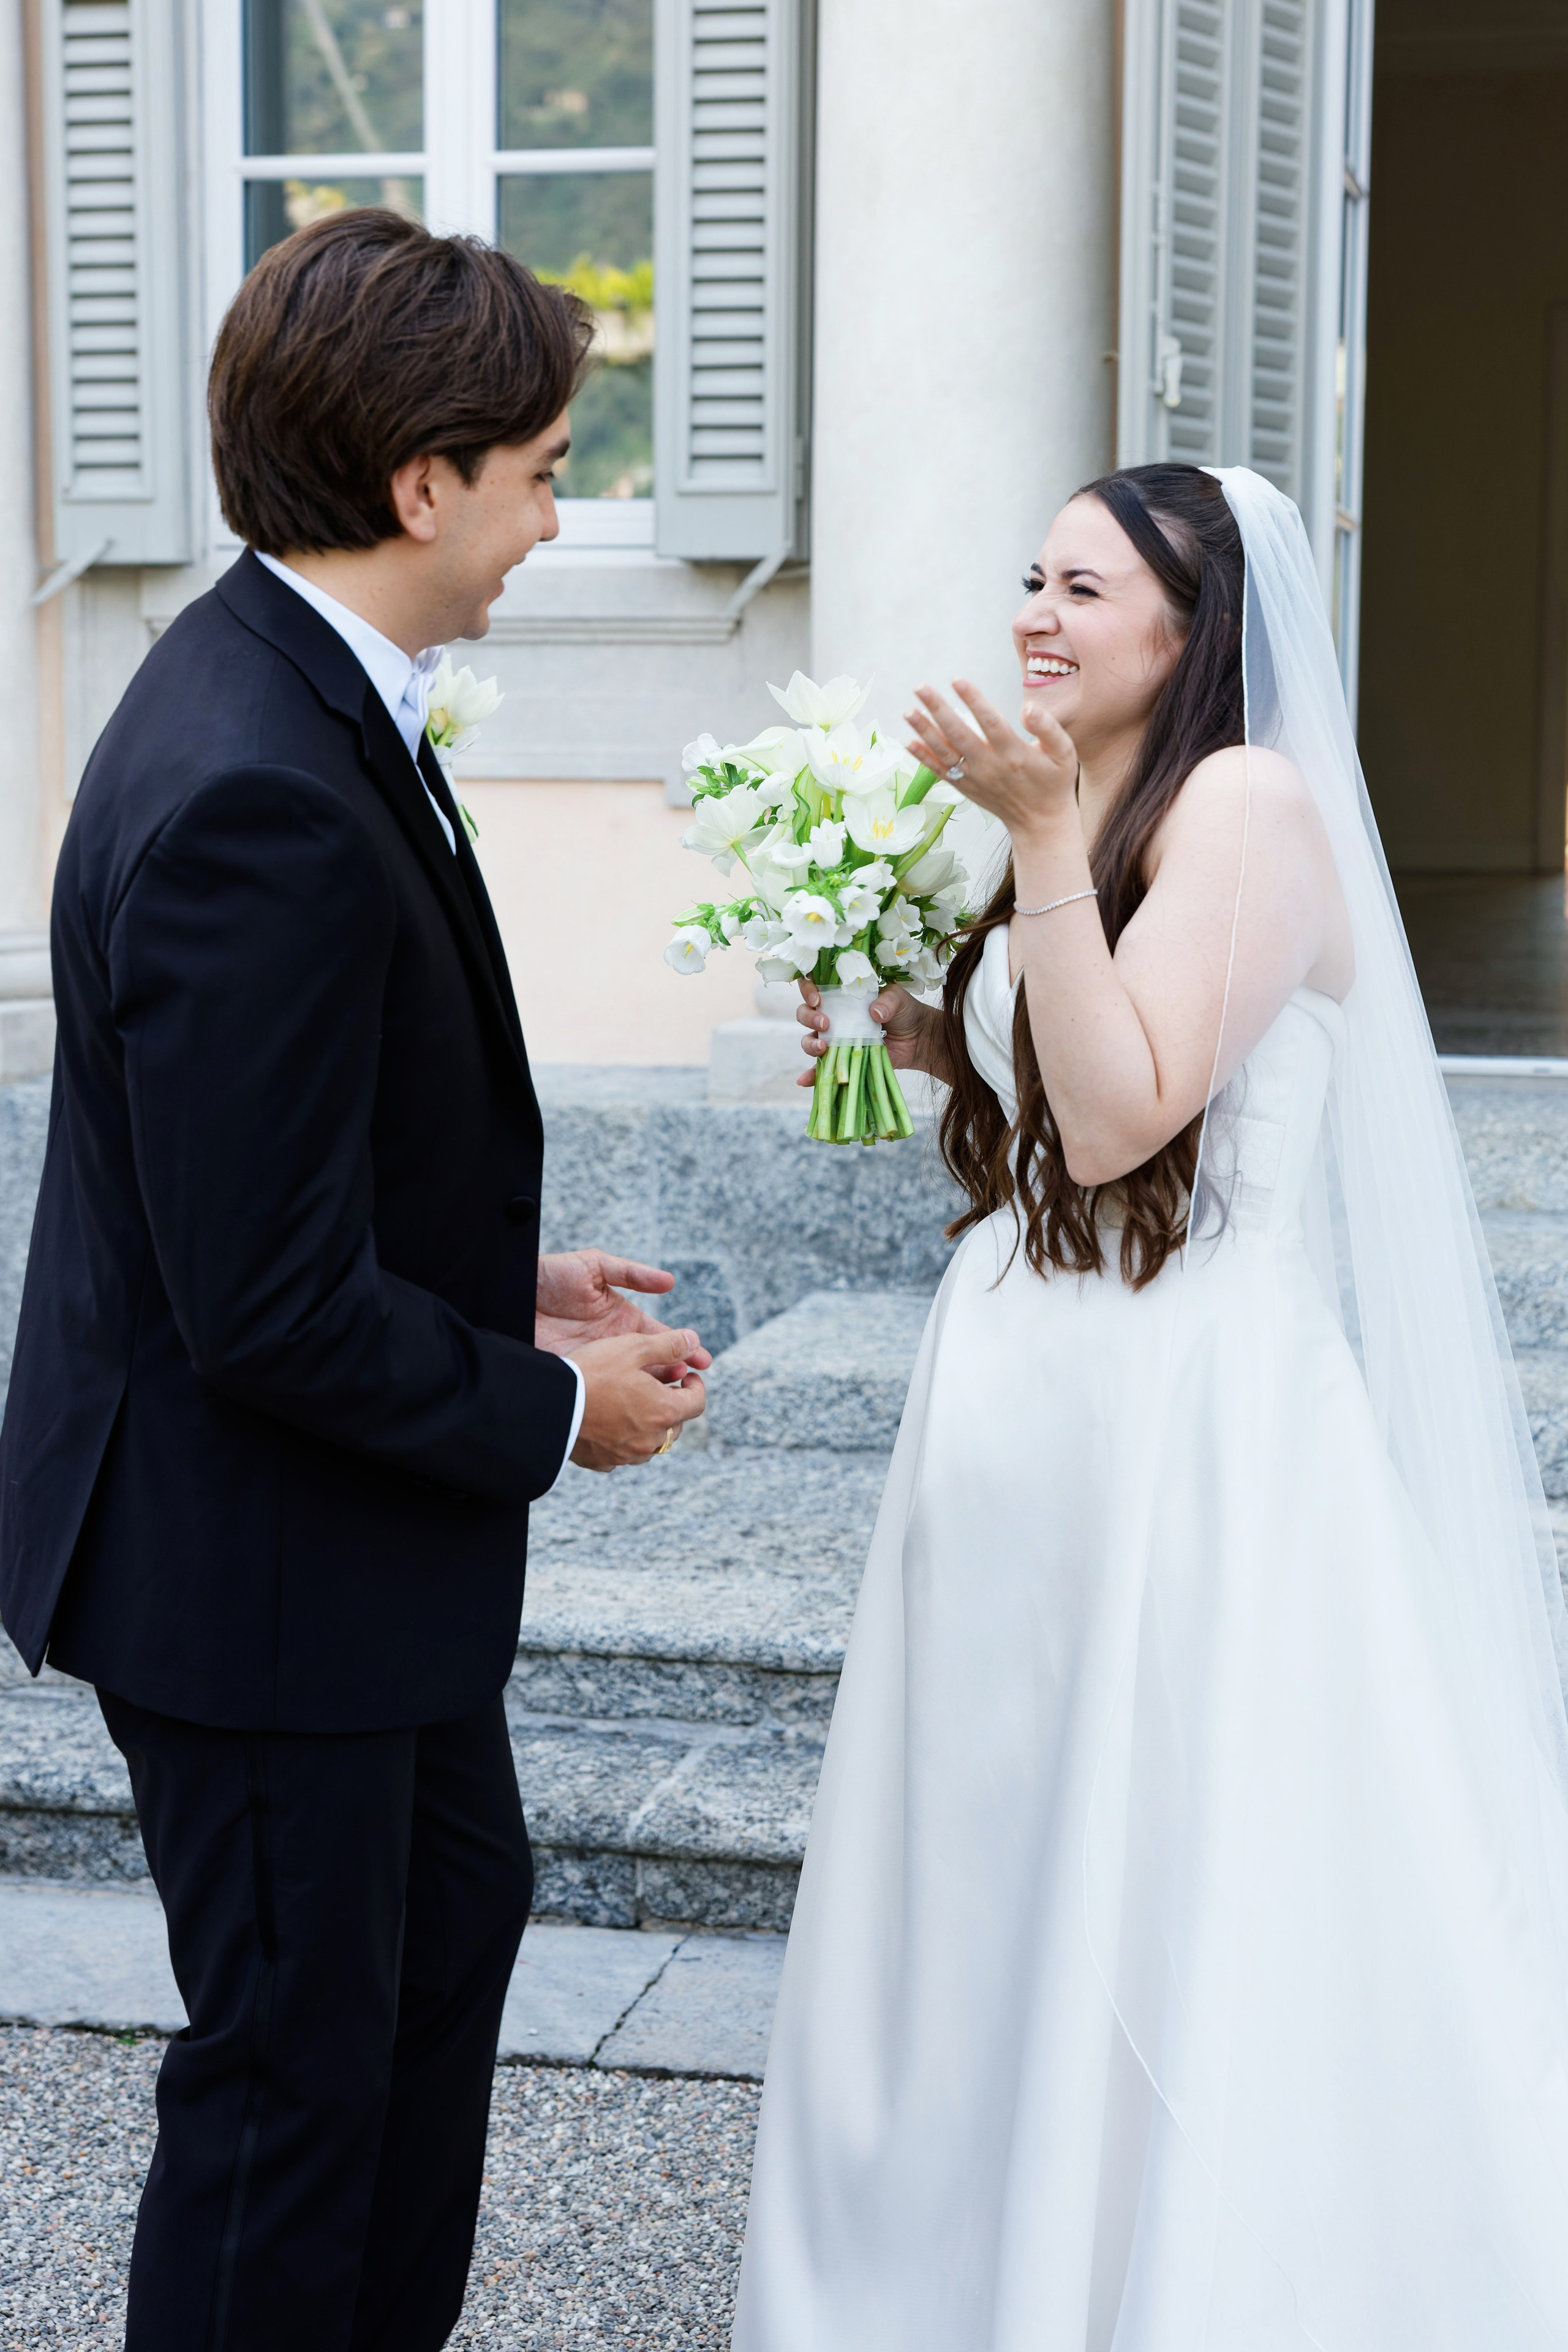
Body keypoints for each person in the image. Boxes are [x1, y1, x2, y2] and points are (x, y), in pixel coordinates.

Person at [732, 464, 1568, 2348]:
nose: (1034, 613)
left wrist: (1029, 845)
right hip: (1026, 1384)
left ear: (1194, 635)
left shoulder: (1251, 806)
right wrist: (925, 1033)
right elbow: (1061, 1109)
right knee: (1003, 1845)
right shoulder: (1098, 804)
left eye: (1084, 590)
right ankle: (966, 2256)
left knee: (1180, 1848)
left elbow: (1127, 1124)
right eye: (1029, 575)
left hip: (1189, 1417)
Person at [0, 210, 708, 2350]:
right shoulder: (254, 784)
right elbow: (265, 1303)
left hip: (338, 1559)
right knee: (296, 2089)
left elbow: (286, 1184)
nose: (555, 515)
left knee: (431, 1969)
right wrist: (561, 1407)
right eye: (546, 469)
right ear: (425, 485)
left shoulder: (295, 686)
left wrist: (506, 1282)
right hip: (259, 1575)